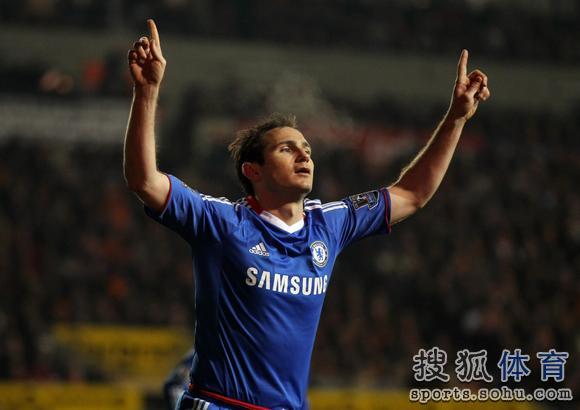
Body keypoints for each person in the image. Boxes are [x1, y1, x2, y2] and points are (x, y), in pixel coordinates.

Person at [124, 19, 490, 410]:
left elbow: (412, 193)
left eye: (307, 150)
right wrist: (147, 92)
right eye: (287, 149)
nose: (304, 155)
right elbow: (144, 180)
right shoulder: (223, 223)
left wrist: (455, 119)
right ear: (253, 171)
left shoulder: (329, 224)